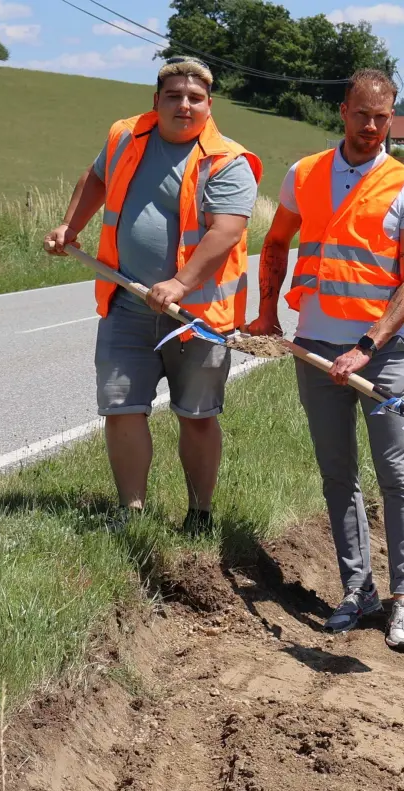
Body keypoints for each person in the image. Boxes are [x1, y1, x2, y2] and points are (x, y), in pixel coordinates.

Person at [245, 69, 404, 651]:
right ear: (344, 110)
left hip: (381, 355)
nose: (372, 126)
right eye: (362, 114)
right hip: (315, 348)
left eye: (383, 117)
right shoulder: (304, 175)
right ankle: (359, 590)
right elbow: (275, 243)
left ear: (392, 117)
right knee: (337, 475)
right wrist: (266, 313)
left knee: (396, 476)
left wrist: (368, 346)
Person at [43, 57, 260, 533]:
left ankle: (199, 514)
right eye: (174, 96)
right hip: (127, 303)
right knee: (121, 409)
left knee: (197, 417)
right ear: (156, 100)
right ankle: (131, 514)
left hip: (198, 316)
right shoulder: (126, 136)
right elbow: (97, 177)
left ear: (209, 104)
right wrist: (70, 225)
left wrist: (180, 284)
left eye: (195, 98)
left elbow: (224, 232)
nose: (184, 105)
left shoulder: (228, 160)